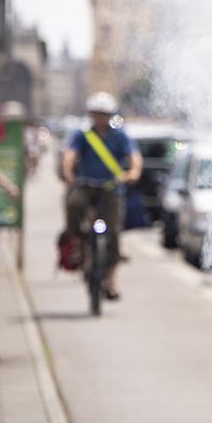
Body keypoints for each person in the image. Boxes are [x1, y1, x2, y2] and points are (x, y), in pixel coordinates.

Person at [61, 92, 141, 300]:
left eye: (103, 114)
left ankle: (111, 280)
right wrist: (69, 173)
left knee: (113, 231)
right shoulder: (83, 135)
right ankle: (77, 243)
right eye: (96, 113)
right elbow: (70, 156)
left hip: (111, 188)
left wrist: (133, 172)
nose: (100, 118)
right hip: (86, 184)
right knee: (73, 204)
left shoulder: (119, 135)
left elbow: (134, 156)